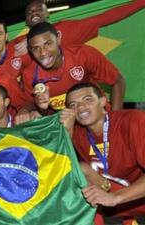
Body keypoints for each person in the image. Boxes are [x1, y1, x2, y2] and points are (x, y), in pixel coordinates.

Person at [60, 82, 145, 225]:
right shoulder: (77, 133)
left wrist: (115, 197)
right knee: (79, 169)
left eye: (87, 99)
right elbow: (60, 170)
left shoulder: (133, 120)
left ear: (103, 101)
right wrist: (67, 133)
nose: (80, 107)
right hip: (110, 196)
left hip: (136, 195)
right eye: (73, 105)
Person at [10, 0, 145, 72]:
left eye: (39, 9)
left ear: (47, 14)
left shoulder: (67, 28)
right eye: (29, 12)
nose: (34, 13)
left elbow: (104, 18)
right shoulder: (18, 43)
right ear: (26, 20)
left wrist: (141, 2)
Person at [22, 22, 125, 115]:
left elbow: (118, 80)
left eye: (48, 44)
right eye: (36, 49)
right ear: (30, 50)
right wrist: (39, 108)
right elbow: (37, 108)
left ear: (58, 38)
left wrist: (115, 118)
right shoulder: (29, 75)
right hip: (67, 128)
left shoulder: (83, 55)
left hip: (98, 119)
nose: (43, 53)